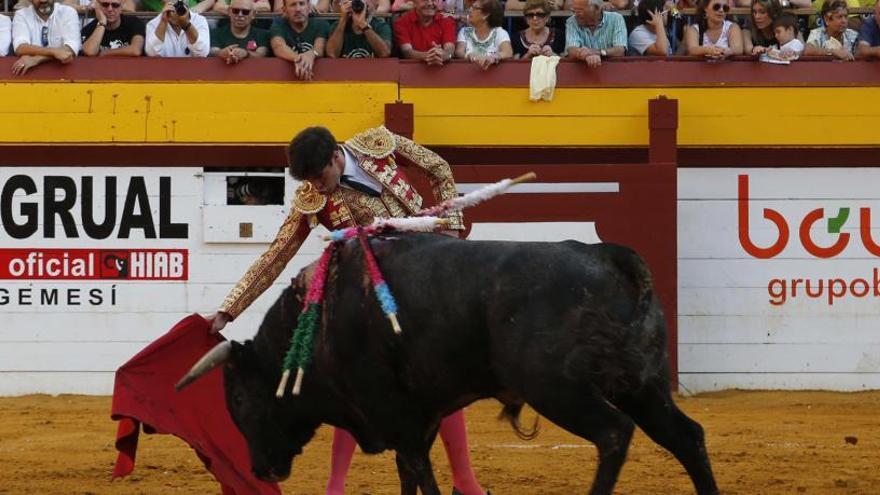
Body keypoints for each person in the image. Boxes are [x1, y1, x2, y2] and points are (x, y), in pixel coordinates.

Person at [208, 125, 488, 495]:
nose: (316, 187)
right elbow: (276, 255)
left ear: (336, 157)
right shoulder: (312, 198)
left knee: (443, 377)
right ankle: (336, 487)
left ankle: (465, 483)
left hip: (427, 281)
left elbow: (437, 166)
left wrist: (451, 228)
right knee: (355, 379)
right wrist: (229, 310)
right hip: (377, 294)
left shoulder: (378, 144)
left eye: (319, 176)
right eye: (308, 180)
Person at [10, 0, 80, 76]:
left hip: (65, 75)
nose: (43, 0)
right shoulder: (22, 14)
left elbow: (70, 48)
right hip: (31, 76)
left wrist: (36, 59)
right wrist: (54, 52)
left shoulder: (68, 12)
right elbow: (20, 48)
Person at [269, 0, 330, 80]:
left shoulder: (320, 24)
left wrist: (311, 54)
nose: (298, 9)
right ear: (284, 10)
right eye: (293, 5)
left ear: (309, 7)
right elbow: (278, 46)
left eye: (301, 4)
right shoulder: (278, 25)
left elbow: (319, 48)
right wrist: (299, 59)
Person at [565, 0, 627, 68]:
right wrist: (584, 54)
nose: (576, 14)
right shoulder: (572, 21)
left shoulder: (616, 19)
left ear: (597, 9)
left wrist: (598, 52)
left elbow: (620, 51)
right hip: (582, 72)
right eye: (574, 10)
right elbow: (571, 50)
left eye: (580, 10)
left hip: (612, 70)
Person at [392, 0, 457, 66]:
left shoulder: (446, 21)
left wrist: (445, 55)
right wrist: (430, 55)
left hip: (443, 68)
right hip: (412, 70)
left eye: (434, 0)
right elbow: (407, 52)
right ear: (414, 3)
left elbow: (449, 49)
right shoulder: (402, 22)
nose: (430, 3)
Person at [454, 0, 513, 69]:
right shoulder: (464, 31)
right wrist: (468, 55)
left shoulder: (499, 32)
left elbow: (508, 52)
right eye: (471, 7)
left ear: (486, 15)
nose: (470, 10)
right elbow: (459, 51)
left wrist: (493, 57)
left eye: (475, 8)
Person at [325, 0, 392, 58]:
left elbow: (385, 53)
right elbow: (332, 54)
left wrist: (363, 25)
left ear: (376, 5)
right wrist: (343, 20)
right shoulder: (338, 25)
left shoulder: (380, 26)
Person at [145, 0, 211, 57]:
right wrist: (163, 22)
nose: (175, 13)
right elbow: (151, 53)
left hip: (192, 69)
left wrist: (186, 25)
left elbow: (202, 52)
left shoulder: (200, 21)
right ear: (164, 3)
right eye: (172, 7)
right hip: (164, 69)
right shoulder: (153, 24)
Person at [81, 0, 146, 57]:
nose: (110, 9)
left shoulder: (134, 23)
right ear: (98, 7)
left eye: (115, 5)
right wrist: (102, 22)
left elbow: (136, 50)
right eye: (105, 5)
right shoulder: (90, 27)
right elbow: (89, 52)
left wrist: (105, 53)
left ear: (121, 8)